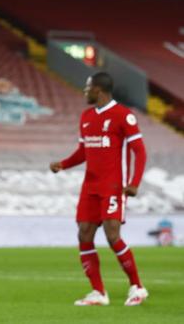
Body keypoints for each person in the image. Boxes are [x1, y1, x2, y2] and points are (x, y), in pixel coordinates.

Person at [50, 72, 148, 306]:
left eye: (88, 88)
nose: (85, 92)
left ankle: (137, 287)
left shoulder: (124, 116)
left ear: (99, 90)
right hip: (90, 185)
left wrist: (134, 183)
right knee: (84, 233)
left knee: (112, 234)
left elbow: (140, 151)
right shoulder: (86, 117)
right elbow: (84, 152)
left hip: (113, 185)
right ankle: (98, 293)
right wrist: (63, 164)